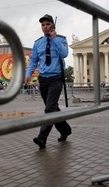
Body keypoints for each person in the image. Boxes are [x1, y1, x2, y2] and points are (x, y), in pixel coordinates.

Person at [25, 14, 72, 149]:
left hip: (56, 79)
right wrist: (28, 74)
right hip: (43, 80)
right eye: (43, 25)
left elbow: (64, 54)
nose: (45, 27)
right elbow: (34, 61)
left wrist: (54, 38)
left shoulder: (61, 39)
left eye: (47, 24)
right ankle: (65, 130)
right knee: (53, 109)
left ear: (53, 25)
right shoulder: (38, 43)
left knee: (49, 109)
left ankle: (42, 138)